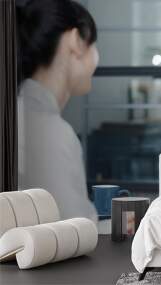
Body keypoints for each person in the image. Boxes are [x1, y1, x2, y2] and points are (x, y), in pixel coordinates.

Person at [17, 0, 99, 222]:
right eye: (93, 44)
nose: (96, 57)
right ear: (75, 41)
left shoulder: (20, 113)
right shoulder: (51, 132)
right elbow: (73, 229)